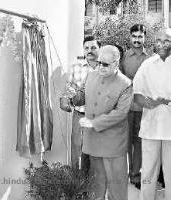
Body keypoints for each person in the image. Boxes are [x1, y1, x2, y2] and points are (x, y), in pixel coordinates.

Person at [72, 45, 133, 200]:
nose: (100, 67)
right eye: (99, 62)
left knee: (116, 188)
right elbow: (82, 94)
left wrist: (94, 123)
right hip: (93, 142)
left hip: (113, 145)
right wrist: (73, 97)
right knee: (95, 187)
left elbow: (120, 113)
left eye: (105, 64)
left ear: (116, 64)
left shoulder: (125, 84)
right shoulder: (91, 76)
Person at [133, 28, 171, 200]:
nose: (162, 44)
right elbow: (137, 94)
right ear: (154, 42)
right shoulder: (147, 65)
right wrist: (148, 102)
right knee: (147, 174)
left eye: (167, 41)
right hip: (151, 127)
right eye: (159, 41)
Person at [60, 36, 100, 172]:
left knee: (97, 152)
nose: (90, 51)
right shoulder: (76, 68)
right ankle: (77, 184)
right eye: (87, 48)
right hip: (80, 115)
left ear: (99, 49)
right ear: (83, 50)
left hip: (101, 117)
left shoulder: (106, 69)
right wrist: (65, 101)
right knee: (78, 150)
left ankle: (94, 184)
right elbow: (67, 90)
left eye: (93, 47)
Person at [121, 24, 149, 189]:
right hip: (125, 107)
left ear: (144, 37)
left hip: (143, 107)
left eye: (140, 36)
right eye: (134, 36)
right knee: (124, 141)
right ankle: (123, 173)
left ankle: (135, 175)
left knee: (139, 142)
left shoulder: (150, 58)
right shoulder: (124, 57)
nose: (137, 40)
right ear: (130, 37)